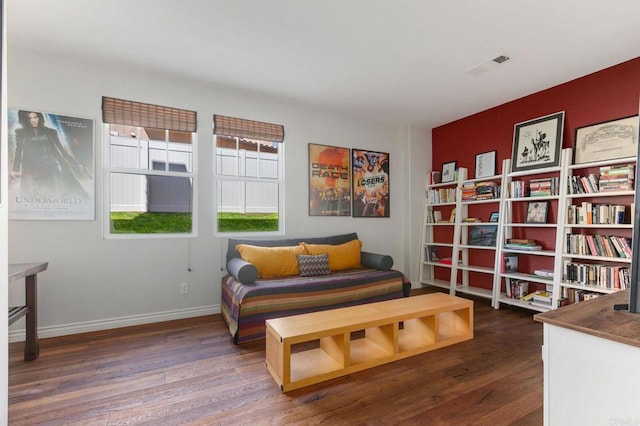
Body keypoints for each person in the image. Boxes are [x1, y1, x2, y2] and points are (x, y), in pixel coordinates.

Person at [11, 110, 86, 195]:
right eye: (30, 118)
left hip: (52, 167)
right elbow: (19, 150)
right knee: (35, 195)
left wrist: (75, 163)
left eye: (35, 117)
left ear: (40, 118)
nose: (33, 120)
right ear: (25, 120)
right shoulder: (21, 132)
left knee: (53, 193)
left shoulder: (51, 131)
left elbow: (61, 150)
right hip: (33, 170)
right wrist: (15, 169)